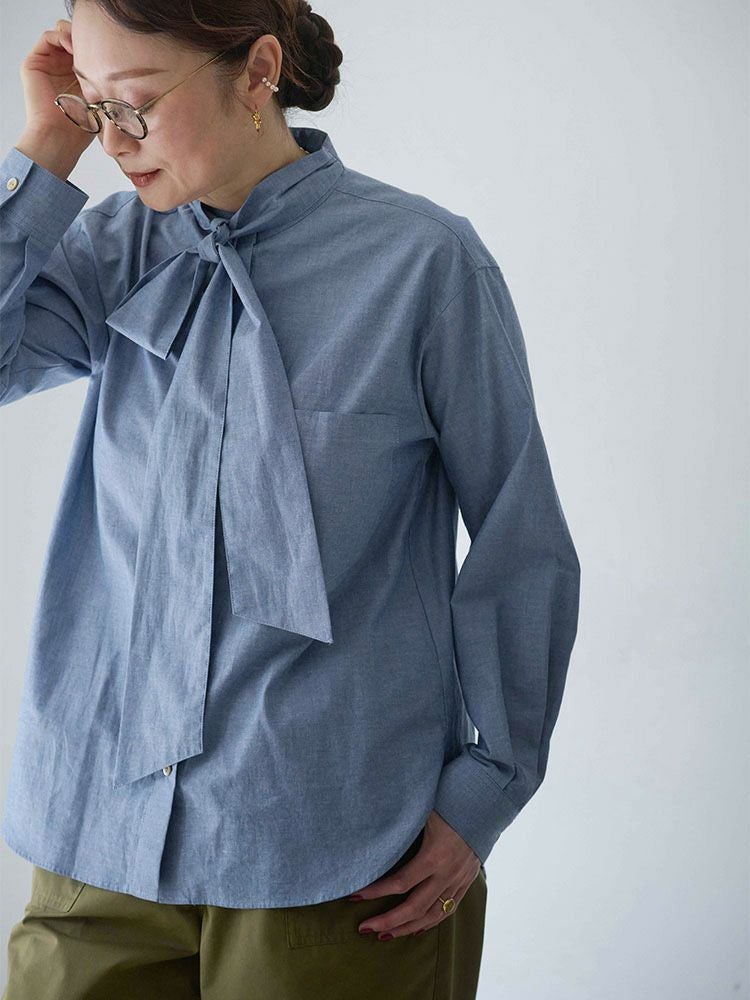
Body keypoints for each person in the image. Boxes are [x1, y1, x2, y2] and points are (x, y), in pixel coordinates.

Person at [0, 1, 581, 997]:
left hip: (336, 848)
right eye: (95, 108)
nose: (116, 142)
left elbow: (519, 538)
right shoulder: (112, 249)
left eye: (134, 104)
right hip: (96, 835)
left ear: (259, 70)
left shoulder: (423, 264)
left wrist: (488, 788)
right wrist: (46, 148)